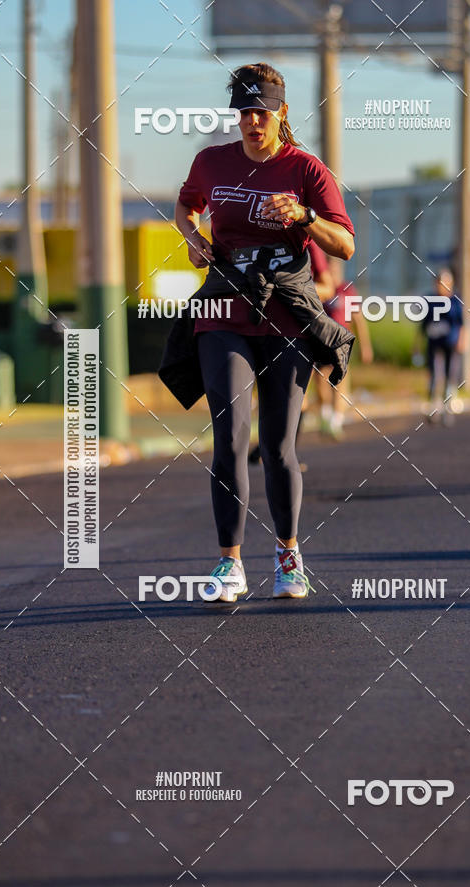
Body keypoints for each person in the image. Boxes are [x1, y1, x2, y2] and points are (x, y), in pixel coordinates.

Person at [167, 62, 355, 601]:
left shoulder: (305, 169)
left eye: (263, 113)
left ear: (281, 113)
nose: (253, 122)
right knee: (228, 436)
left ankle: (289, 556)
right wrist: (193, 235)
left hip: (285, 319)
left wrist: (302, 217)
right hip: (224, 313)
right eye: (245, 112)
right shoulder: (211, 162)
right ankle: (230, 564)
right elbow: (185, 207)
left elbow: (344, 244)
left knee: (277, 447)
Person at [247, 239, 335, 466]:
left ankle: (286, 453)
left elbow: (328, 287)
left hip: (295, 330)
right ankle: (266, 445)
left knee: (296, 395)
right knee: (260, 393)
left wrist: (288, 288)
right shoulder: (249, 236)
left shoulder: (307, 243)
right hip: (256, 327)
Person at [316, 256, 373, 440]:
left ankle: (336, 422)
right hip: (321, 341)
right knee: (320, 380)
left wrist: (366, 346)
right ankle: (325, 416)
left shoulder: (347, 290)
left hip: (341, 342)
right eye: (329, 270)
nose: (332, 273)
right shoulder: (321, 289)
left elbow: (358, 320)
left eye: (335, 270)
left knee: (339, 382)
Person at [420, 268, 465, 424]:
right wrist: (417, 345)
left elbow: (462, 324)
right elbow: (422, 326)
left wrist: (461, 341)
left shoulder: (455, 302)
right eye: (438, 283)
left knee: (449, 376)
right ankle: (433, 409)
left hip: (450, 345)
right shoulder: (430, 301)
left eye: (444, 283)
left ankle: (448, 410)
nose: (440, 286)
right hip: (434, 344)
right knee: (434, 376)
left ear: (450, 284)